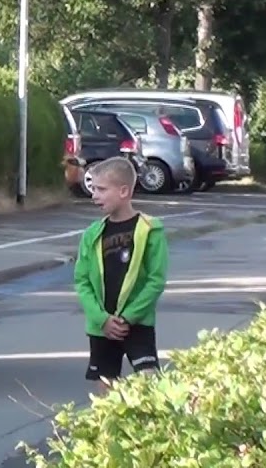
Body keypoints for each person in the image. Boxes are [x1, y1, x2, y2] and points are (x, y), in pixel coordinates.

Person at [74, 156, 168, 390]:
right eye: (93, 189)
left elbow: (156, 281)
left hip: (137, 323)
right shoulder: (92, 234)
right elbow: (82, 281)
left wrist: (128, 317)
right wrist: (102, 319)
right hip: (102, 326)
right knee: (106, 386)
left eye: (102, 189)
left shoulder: (150, 230)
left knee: (149, 381)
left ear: (124, 191)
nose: (95, 195)